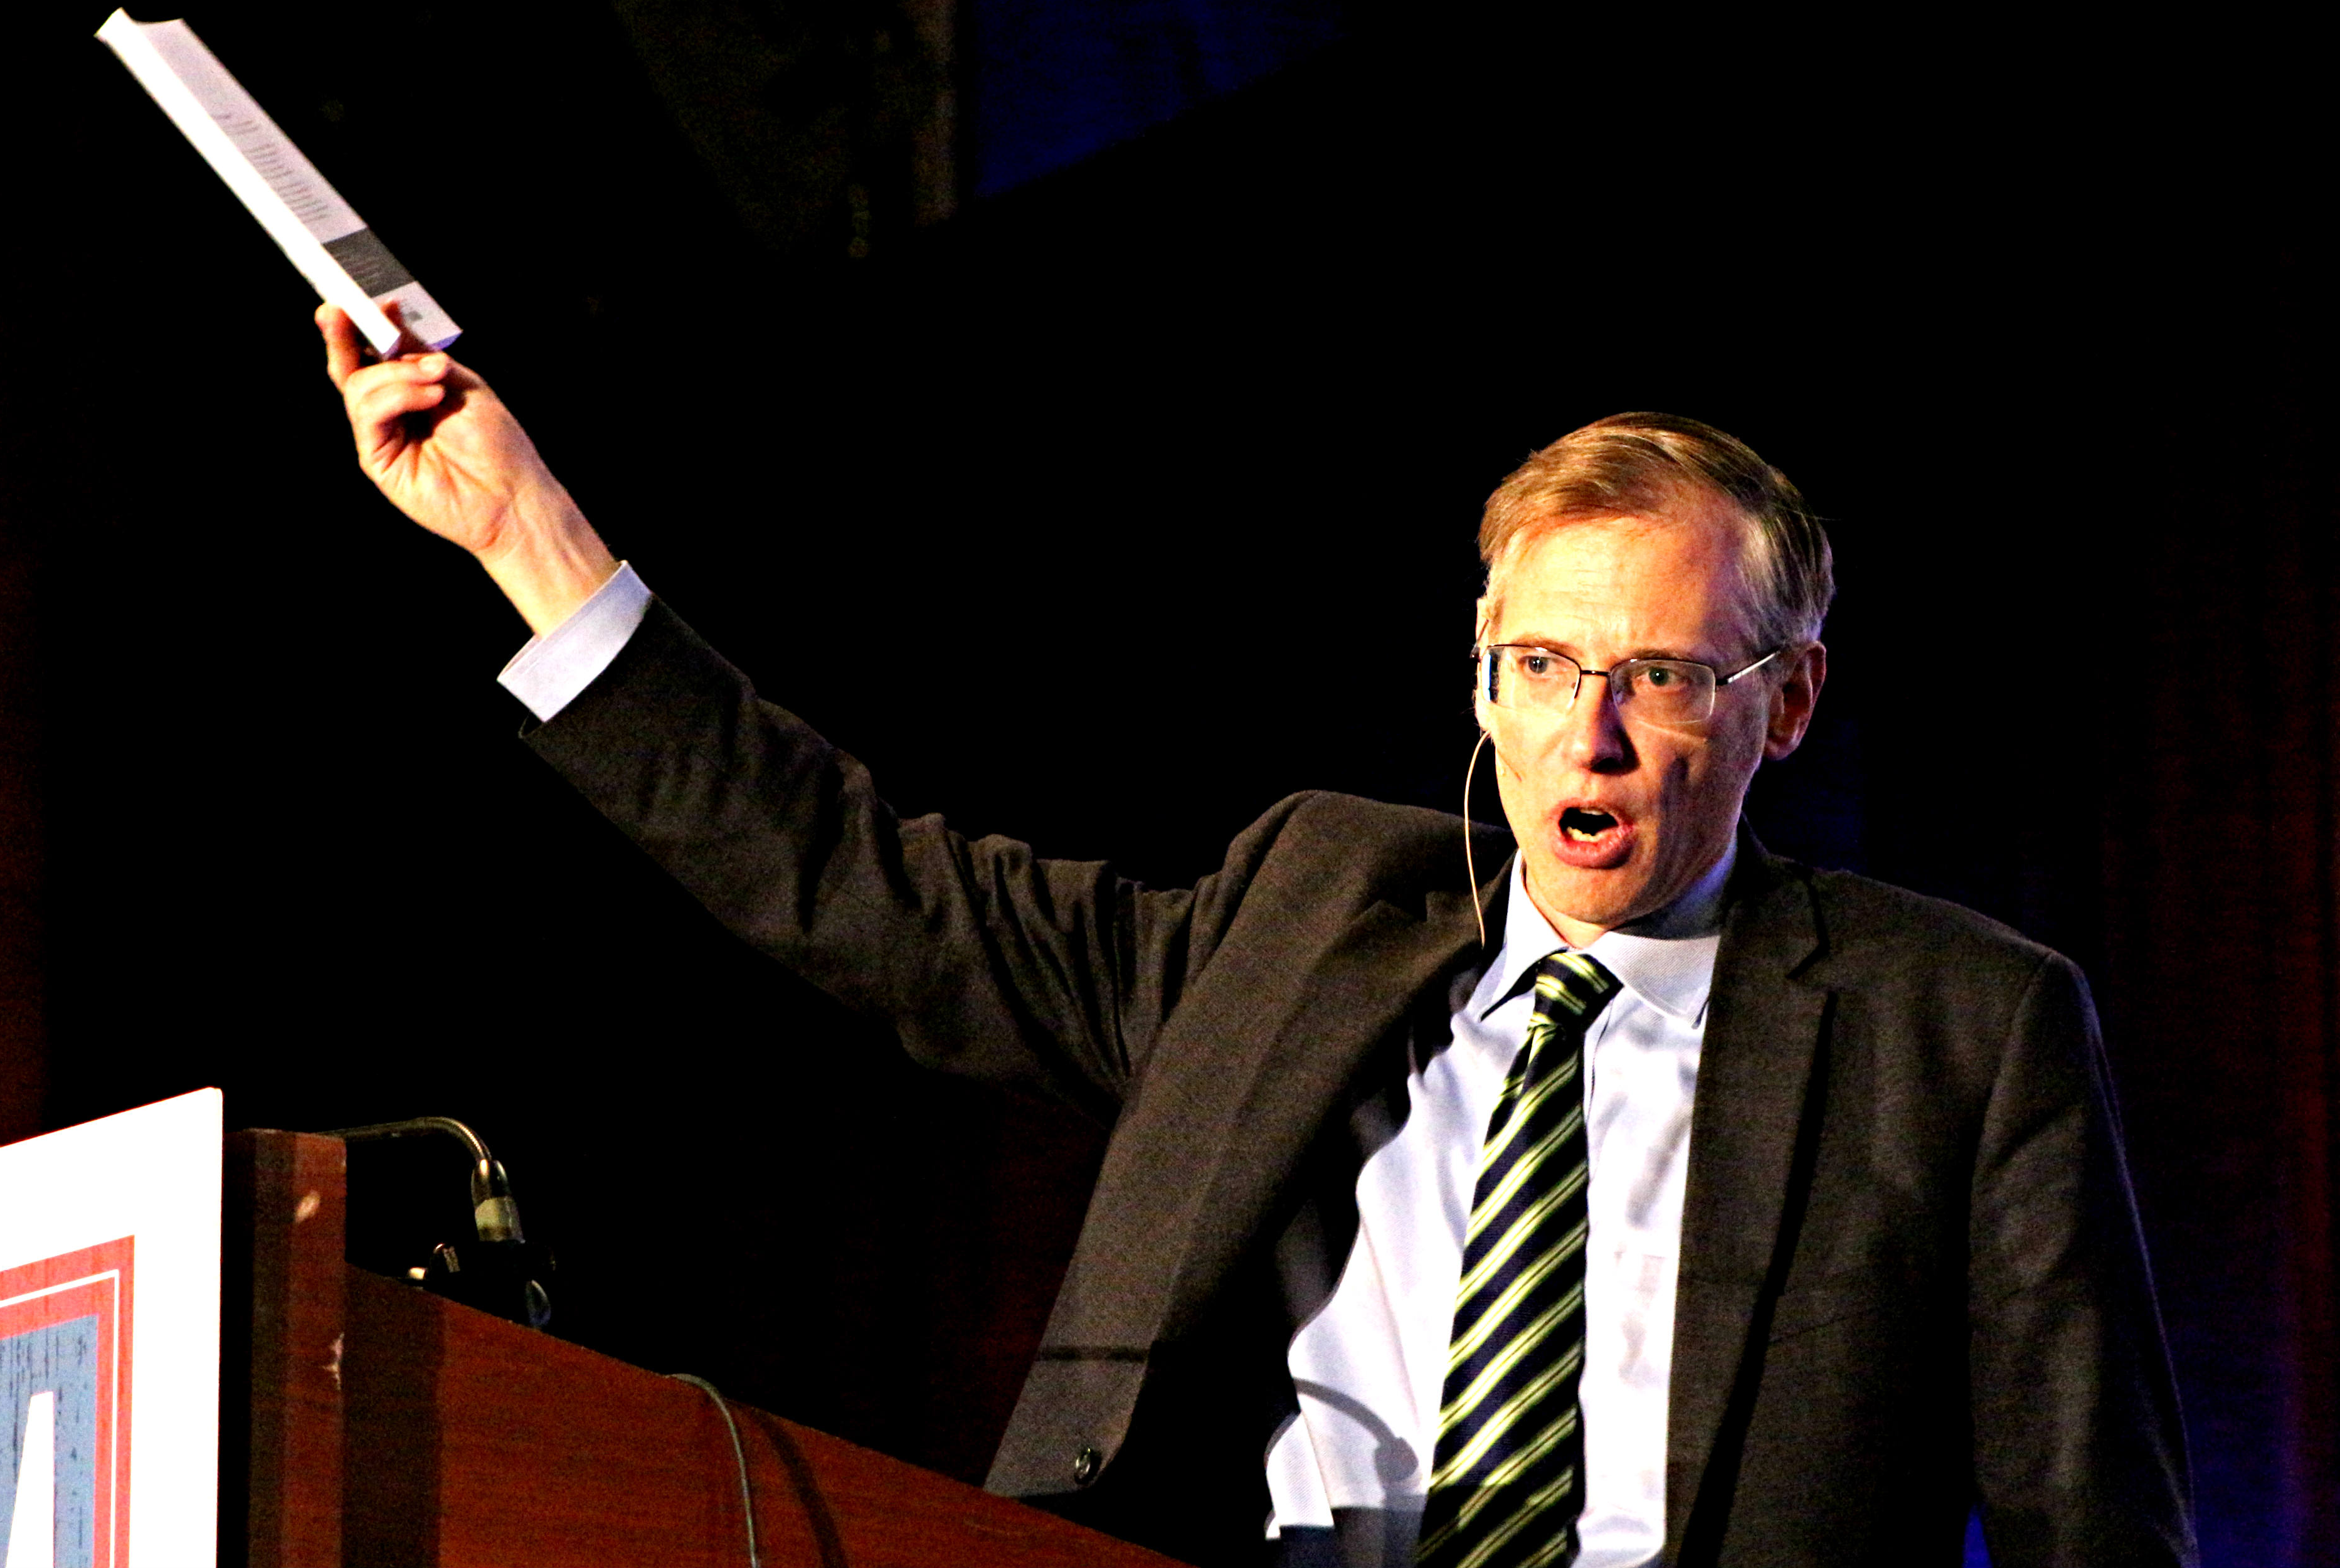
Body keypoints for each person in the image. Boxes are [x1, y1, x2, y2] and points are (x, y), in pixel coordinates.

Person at [317, 309, 2196, 1567]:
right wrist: (531, 540)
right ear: (1482, 675)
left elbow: (2092, 1523)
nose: (1590, 735)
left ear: (1786, 705)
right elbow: (875, 888)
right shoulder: (1313, 912)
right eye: (1543, 666)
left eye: (1659, 676)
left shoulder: (1963, 1028)